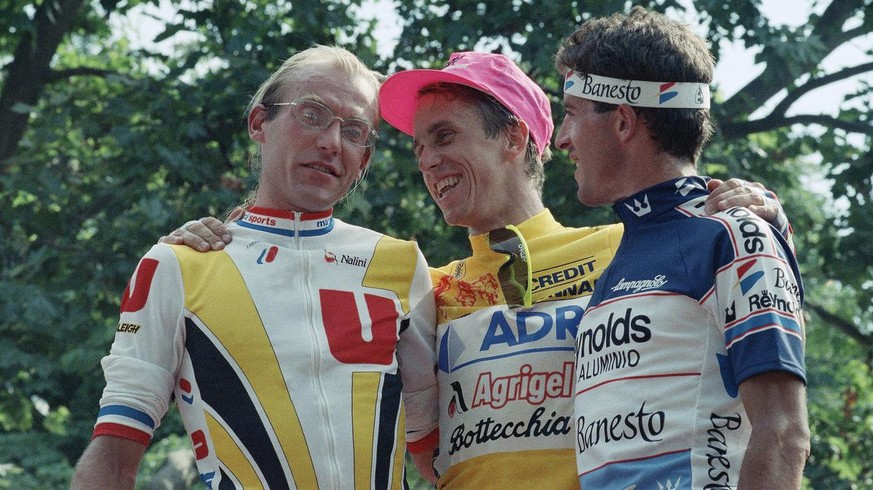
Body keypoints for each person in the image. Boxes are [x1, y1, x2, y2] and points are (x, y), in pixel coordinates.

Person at [165, 52, 792, 488]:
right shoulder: (424, 289)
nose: (427, 162)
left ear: (514, 138)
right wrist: (209, 241)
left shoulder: (625, 249)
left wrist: (766, 212)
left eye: (443, 137)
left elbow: (744, 304)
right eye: (416, 148)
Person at [70, 45, 438, 489]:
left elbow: (438, 450)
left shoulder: (402, 264)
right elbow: (113, 455)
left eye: (356, 131)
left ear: (365, 158)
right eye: (312, 114)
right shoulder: (178, 265)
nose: (331, 142)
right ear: (260, 123)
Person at [555, 7, 809, 488]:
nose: (561, 139)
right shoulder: (622, 256)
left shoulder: (732, 235)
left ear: (624, 122)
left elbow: (783, 435)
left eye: (570, 114)